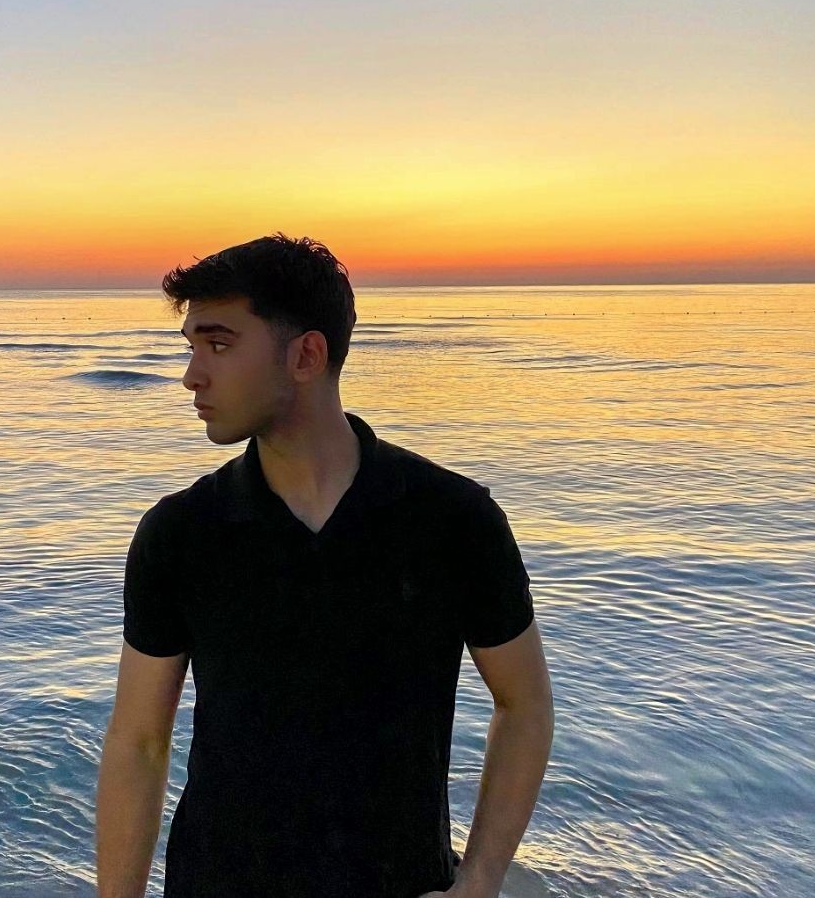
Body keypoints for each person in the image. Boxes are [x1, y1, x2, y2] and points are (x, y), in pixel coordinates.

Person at [96, 232, 554, 898]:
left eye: (218, 344)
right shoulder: (182, 532)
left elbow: (525, 702)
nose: (192, 373)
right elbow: (137, 742)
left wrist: (479, 878)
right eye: (190, 345)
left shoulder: (452, 520)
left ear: (306, 354)